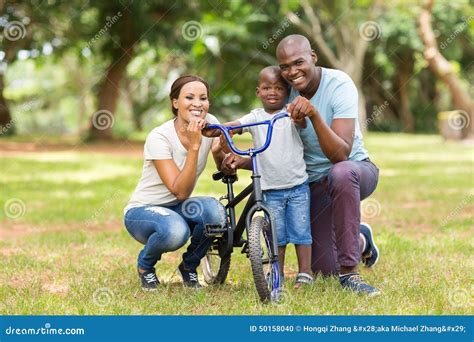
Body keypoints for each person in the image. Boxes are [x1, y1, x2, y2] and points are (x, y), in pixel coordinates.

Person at [223, 35, 381, 296]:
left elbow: (340, 154)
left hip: (354, 171)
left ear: (313, 57)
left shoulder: (339, 84)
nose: (292, 72)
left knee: (341, 173)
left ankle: (351, 274)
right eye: (284, 66)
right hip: (310, 184)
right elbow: (280, 152)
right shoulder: (284, 91)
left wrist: (314, 115)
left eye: (298, 62)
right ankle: (361, 238)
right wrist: (240, 161)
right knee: (323, 269)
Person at [206, 66, 313, 288]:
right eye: (266, 88)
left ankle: (305, 273)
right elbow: (236, 125)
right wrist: (220, 129)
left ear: (287, 91)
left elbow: (302, 122)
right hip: (270, 187)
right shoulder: (255, 116)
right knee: (277, 235)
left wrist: (300, 115)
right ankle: (277, 273)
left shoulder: (291, 113)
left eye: (278, 88)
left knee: (302, 231)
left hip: (297, 186)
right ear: (258, 91)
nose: (272, 92)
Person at [124, 75, 226, 291]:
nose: (198, 104)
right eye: (189, 97)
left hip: (178, 209)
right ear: (175, 102)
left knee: (216, 213)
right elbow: (180, 191)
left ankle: (189, 267)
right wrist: (194, 147)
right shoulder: (159, 137)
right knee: (175, 230)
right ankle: (145, 266)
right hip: (143, 211)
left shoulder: (212, 124)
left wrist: (220, 152)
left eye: (203, 98)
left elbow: (223, 166)